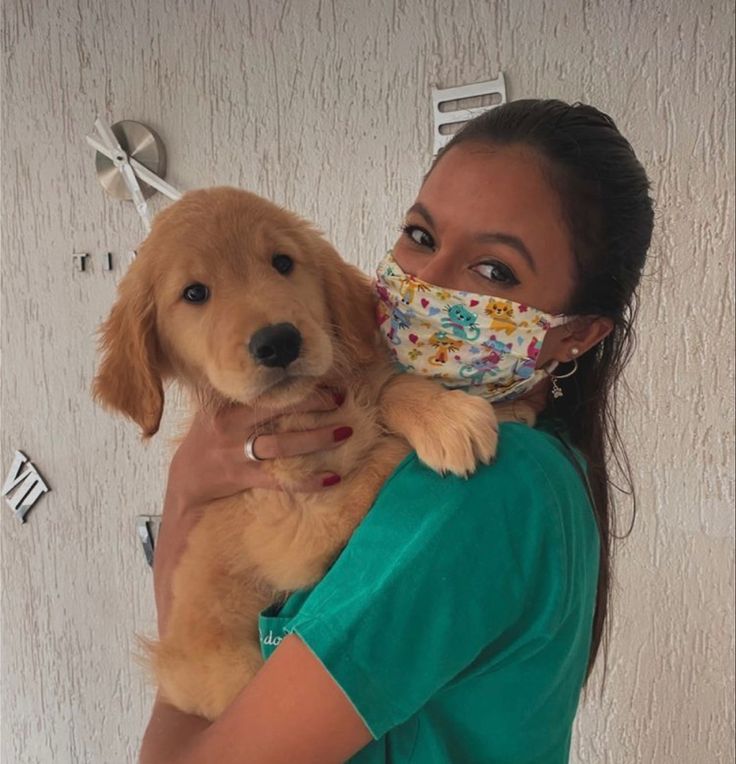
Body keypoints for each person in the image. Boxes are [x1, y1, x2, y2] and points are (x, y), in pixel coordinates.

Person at [139, 99, 654, 764]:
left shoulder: (481, 484)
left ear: (576, 335)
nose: (426, 284)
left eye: (493, 269)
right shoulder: (540, 469)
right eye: (421, 236)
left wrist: (183, 504)